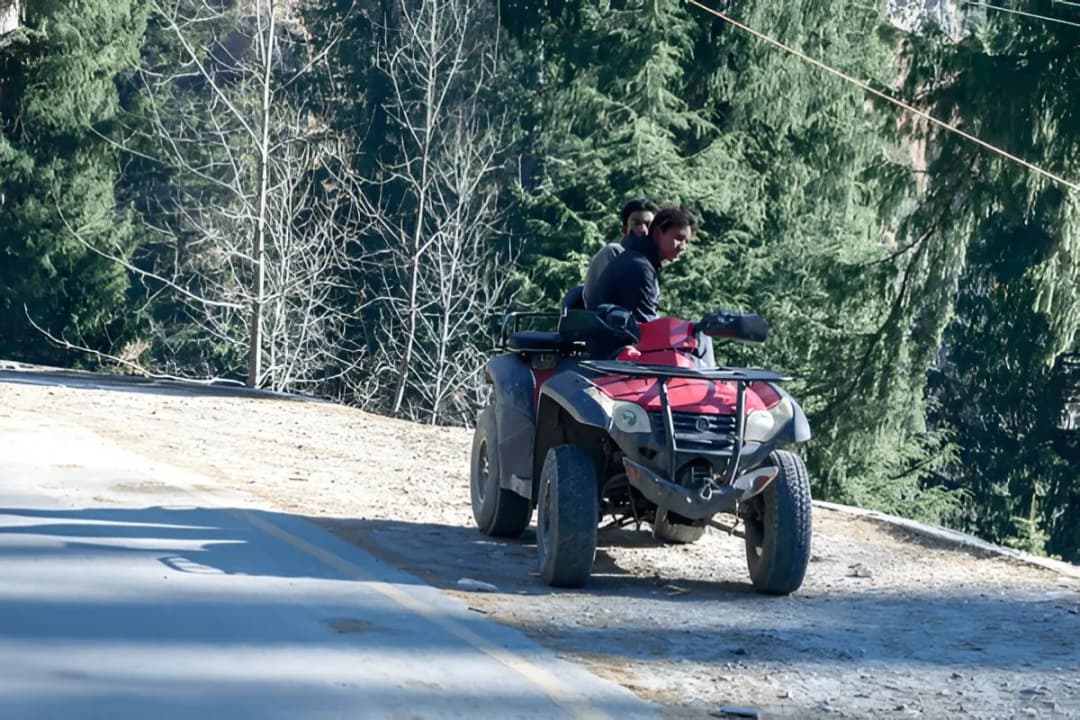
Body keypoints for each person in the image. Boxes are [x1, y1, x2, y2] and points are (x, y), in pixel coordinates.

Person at [587, 205, 695, 323]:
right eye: (679, 238)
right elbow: (644, 327)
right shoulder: (639, 268)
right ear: (658, 233)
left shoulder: (637, 259)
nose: (683, 247)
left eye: (687, 242)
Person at [580, 198, 659, 308]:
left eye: (648, 224)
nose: (643, 229)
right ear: (624, 229)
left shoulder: (648, 261)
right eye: (636, 223)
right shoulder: (613, 253)